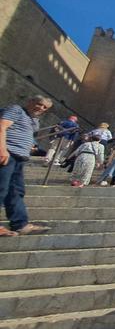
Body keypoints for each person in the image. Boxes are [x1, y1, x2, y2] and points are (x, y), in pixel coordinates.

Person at [0, 95, 53, 236]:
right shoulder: (16, 110)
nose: (41, 108)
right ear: (30, 101)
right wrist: (2, 149)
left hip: (19, 158)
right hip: (7, 153)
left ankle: (20, 224)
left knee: (16, 191)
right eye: (39, 104)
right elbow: (2, 127)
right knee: (1, 188)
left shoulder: (34, 121)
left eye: (45, 107)